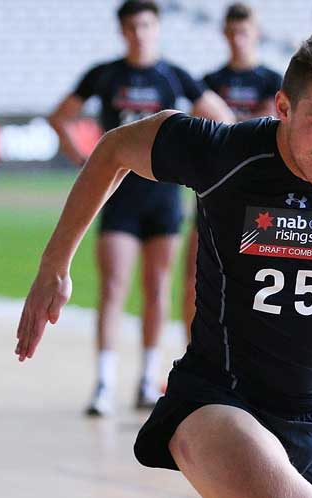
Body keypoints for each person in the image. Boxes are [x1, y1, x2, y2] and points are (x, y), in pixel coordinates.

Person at [16, 26, 312, 496]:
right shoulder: (226, 153)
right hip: (216, 400)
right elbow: (115, 148)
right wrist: (54, 266)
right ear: (283, 107)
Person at [47, 0, 234, 416]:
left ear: (157, 27)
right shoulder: (105, 74)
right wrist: (82, 158)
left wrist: (197, 157)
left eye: (146, 25)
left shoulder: (174, 75)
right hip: (118, 197)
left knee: (157, 287)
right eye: (131, 27)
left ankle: (148, 379)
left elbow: (220, 117)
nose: (139, 34)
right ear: (122, 31)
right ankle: (103, 383)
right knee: (113, 285)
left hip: (163, 199)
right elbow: (60, 116)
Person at [182, 2, 283, 336]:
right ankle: (193, 348)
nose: (238, 39)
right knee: (195, 275)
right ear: (224, 33)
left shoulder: (273, 81)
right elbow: (200, 131)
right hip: (215, 189)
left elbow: (266, 127)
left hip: (260, 192)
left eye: (244, 32)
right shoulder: (209, 81)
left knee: (257, 278)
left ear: (257, 34)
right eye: (233, 32)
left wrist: (228, 123)